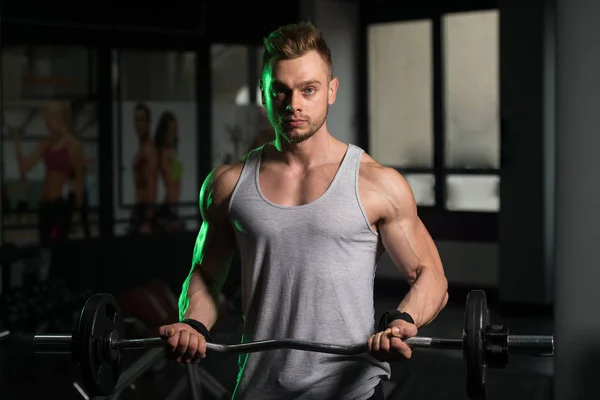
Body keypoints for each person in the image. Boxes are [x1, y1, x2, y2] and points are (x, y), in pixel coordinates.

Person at [159, 21, 448, 400]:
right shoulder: (228, 185)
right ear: (263, 93)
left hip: (352, 391)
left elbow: (431, 277)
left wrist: (402, 321)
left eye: (308, 90)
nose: (293, 104)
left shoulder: (377, 184)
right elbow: (206, 276)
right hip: (258, 390)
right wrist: (193, 323)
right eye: (280, 90)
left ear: (331, 91)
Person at [12, 101, 85, 245]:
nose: (47, 124)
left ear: (58, 118)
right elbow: (24, 167)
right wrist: (16, 142)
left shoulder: (74, 146)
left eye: (48, 119)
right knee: (45, 248)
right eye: (45, 119)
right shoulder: (46, 144)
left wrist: (78, 213)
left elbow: (79, 181)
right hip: (44, 205)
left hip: (60, 205)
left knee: (56, 248)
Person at [129, 103, 158, 234]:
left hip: (145, 212)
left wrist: (148, 219)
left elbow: (152, 183)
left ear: (148, 122)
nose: (139, 124)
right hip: (140, 209)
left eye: (142, 119)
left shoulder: (148, 149)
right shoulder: (142, 147)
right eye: (136, 120)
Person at [154, 111, 183, 232]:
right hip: (168, 207)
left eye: (174, 130)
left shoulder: (172, 153)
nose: (172, 134)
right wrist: (172, 210)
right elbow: (169, 182)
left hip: (173, 206)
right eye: (169, 130)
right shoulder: (164, 153)